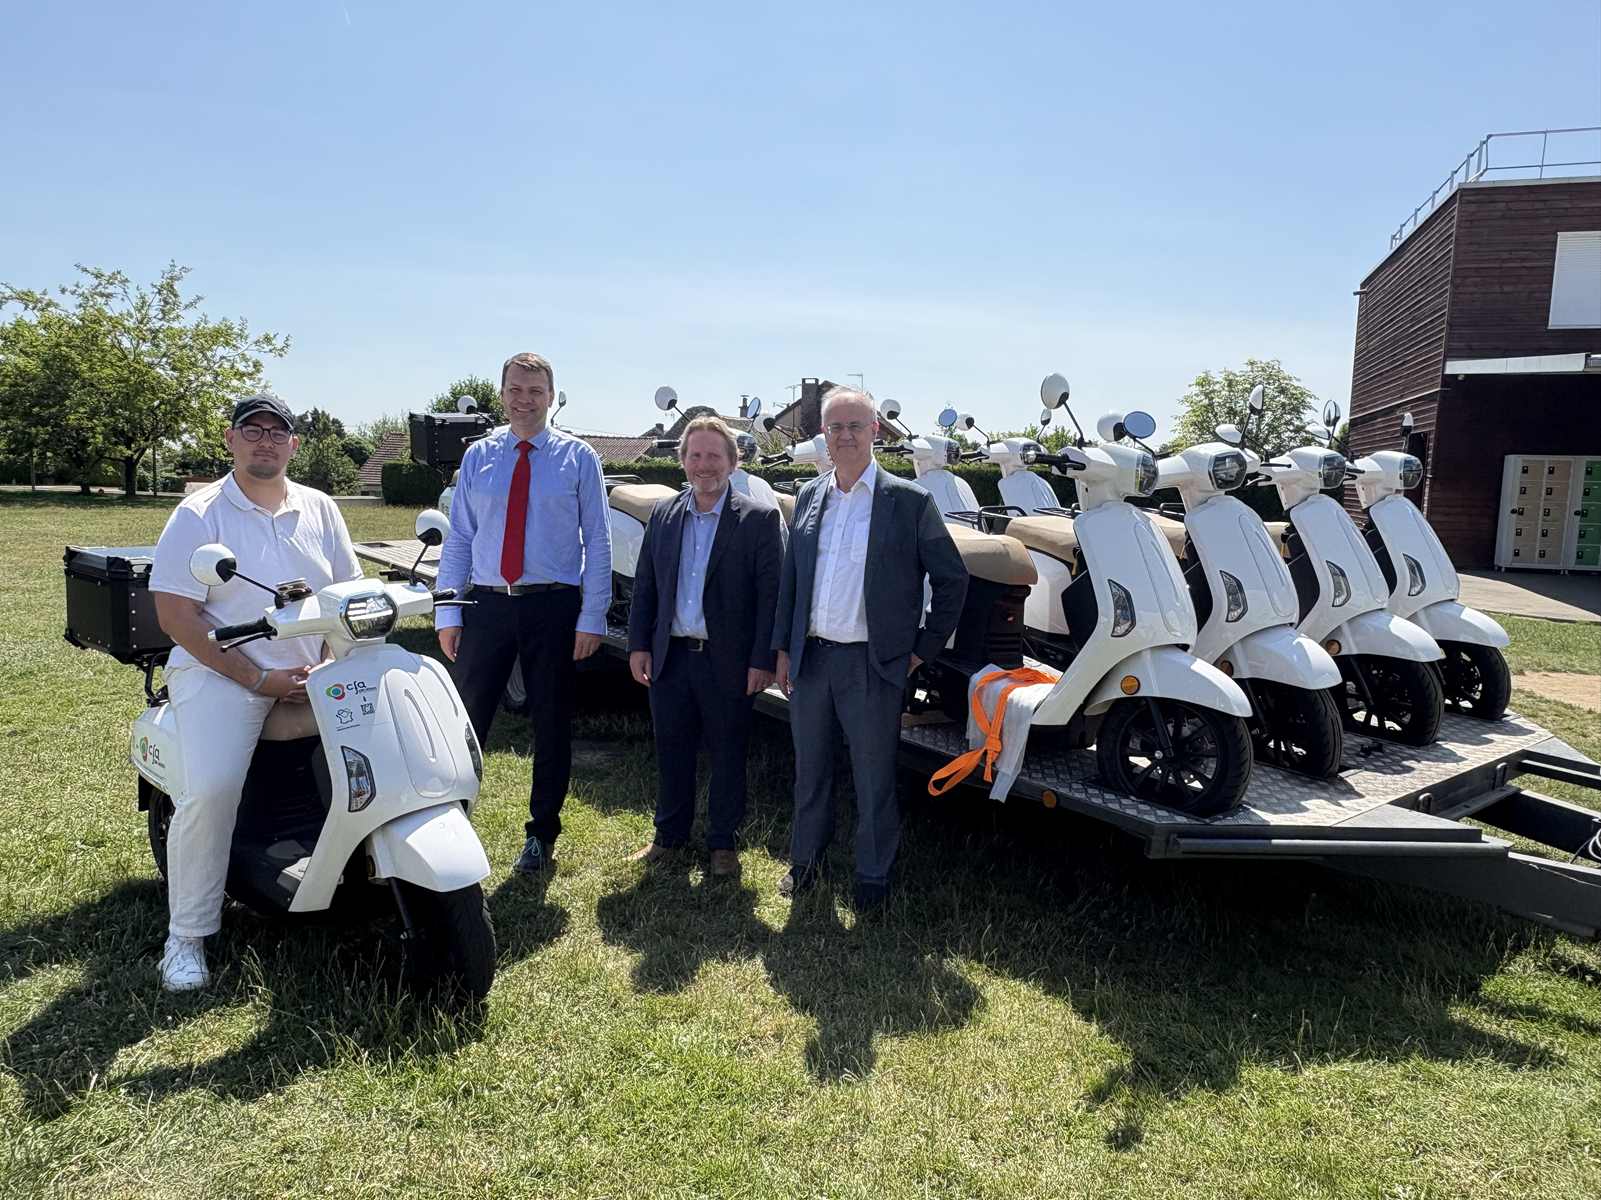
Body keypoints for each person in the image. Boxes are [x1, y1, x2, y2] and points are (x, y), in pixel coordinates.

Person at [149, 393, 364, 991]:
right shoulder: (200, 513)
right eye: (253, 430)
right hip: (223, 673)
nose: (265, 440)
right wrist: (257, 678)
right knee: (212, 789)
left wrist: (324, 664)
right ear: (230, 440)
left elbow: (344, 594)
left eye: (278, 432)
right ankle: (187, 935)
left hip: (315, 671)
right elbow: (176, 614)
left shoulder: (320, 508)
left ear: (294, 445)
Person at [772, 387, 968, 912]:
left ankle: (872, 876)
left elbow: (952, 580)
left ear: (875, 430)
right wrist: (784, 649)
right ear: (824, 436)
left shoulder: (908, 501)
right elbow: (792, 580)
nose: (845, 435)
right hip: (812, 660)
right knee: (811, 769)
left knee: (873, 774)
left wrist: (922, 648)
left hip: (872, 664)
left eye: (856, 425)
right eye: (835, 427)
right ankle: (805, 864)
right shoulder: (811, 497)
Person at [435, 352, 611, 877]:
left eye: (535, 391)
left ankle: (541, 835)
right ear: (502, 393)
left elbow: (598, 541)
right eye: (515, 389)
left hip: (553, 605)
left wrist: (593, 615)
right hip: (487, 604)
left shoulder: (578, 459)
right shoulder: (479, 457)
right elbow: (460, 536)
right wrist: (448, 609)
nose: (524, 400)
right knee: (466, 723)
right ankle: (449, 822)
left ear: (551, 396)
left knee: (551, 722)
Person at [626, 416, 784, 877]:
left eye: (714, 455)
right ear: (683, 461)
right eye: (695, 455)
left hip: (729, 662)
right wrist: (639, 645)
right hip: (671, 657)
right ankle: (669, 837)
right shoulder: (665, 515)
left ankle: (722, 844)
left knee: (728, 753)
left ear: (733, 463)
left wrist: (763, 660)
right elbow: (647, 587)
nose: (704, 464)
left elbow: (770, 597)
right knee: (672, 749)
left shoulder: (758, 519)